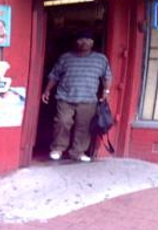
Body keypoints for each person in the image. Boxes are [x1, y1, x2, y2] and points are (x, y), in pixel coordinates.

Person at [41, 30, 112, 162]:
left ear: (92, 43)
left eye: (87, 40)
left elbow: (107, 77)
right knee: (62, 122)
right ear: (76, 42)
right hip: (65, 97)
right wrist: (47, 90)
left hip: (88, 99)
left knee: (84, 127)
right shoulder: (65, 57)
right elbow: (54, 75)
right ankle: (58, 148)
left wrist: (106, 92)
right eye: (81, 39)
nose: (84, 43)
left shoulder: (101, 59)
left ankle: (78, 152)